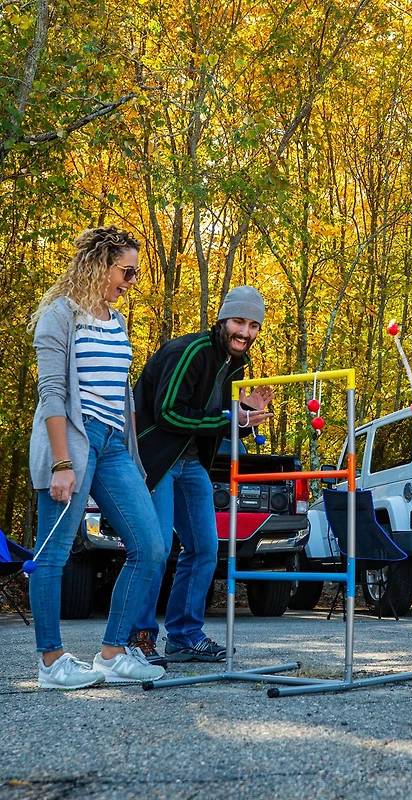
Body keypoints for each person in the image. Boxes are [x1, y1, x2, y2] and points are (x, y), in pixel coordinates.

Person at [28, 225, 166, 689]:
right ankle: (51, 661)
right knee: (54, 554)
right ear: (98, 265)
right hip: (74, 442)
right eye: (126, 271)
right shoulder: (59, 315)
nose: (132, 280)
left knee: (150, 547)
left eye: (136, 273)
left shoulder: (116, 319)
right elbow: (51, 394)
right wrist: (62, 463)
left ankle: (111, 653)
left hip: (113, 447)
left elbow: (119, 393)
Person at [127, 286, 273, 664]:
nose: (246, 332)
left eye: (254, 325)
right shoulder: (190, 351)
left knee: (205, 548)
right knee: (155, 550)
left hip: (192, 464)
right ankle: (138, 638)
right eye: (240, 322)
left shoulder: (235, 363)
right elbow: (169, 414)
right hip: (155, 459)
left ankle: (184, 636)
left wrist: (241, 413)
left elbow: (215, 420)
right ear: (223, 320)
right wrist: (231, 418)